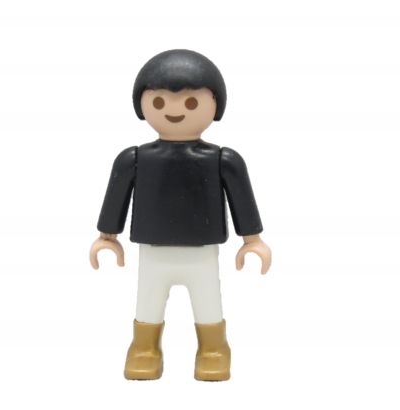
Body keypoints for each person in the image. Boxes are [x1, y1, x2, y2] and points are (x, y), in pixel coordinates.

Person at [89, 49, 271, 381]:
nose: (174, 111)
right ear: (142, 105)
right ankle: (144, 347)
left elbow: (241, 198)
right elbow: (117, 197)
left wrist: (252, 240)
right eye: (159, 102)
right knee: (148, 301)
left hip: (202, 252)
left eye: (191, 102)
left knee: (207, 301)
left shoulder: (223, 160)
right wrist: (107, 236)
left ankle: (213, 348)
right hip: (153, 250)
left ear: (215, 105)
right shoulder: (134, 159)